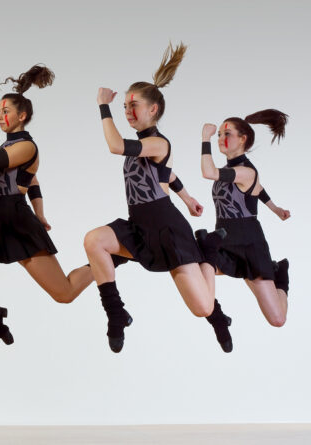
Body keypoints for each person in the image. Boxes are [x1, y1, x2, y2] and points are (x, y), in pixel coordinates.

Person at [84, 42, 233, 353]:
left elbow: (115, 146)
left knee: (202, 308)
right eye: (124, 106)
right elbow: (168, 174)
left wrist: (103, 105)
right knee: (93, 240)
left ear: (152, 109)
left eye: (132, 105)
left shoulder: (157, 142)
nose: (127, 111)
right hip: (139, 224)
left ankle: (209, 249)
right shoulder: (149, 146)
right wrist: (189, 197)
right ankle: (116, 314)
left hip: (167, 228)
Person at [0, 65, 96, 345]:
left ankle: (107, 260)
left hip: (17, 226)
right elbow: (32, 180)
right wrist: (41, 212)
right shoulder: (9, 147)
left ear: (21, 116)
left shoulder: (26, 146)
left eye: (6, 111)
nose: (0, 117)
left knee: (65, 294)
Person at [197, 111, 291, 327]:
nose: (221, 138)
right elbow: (258, 189)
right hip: (223, 239)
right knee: (194, 263)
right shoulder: (234, 170)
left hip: (249, 245)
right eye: (219, 134)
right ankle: (218, 318)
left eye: (226, 133)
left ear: (243, 139)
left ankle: (281, 275)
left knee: (277, 319)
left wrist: (205, 139)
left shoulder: (246, 171)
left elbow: (208, 173)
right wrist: (275, 208)